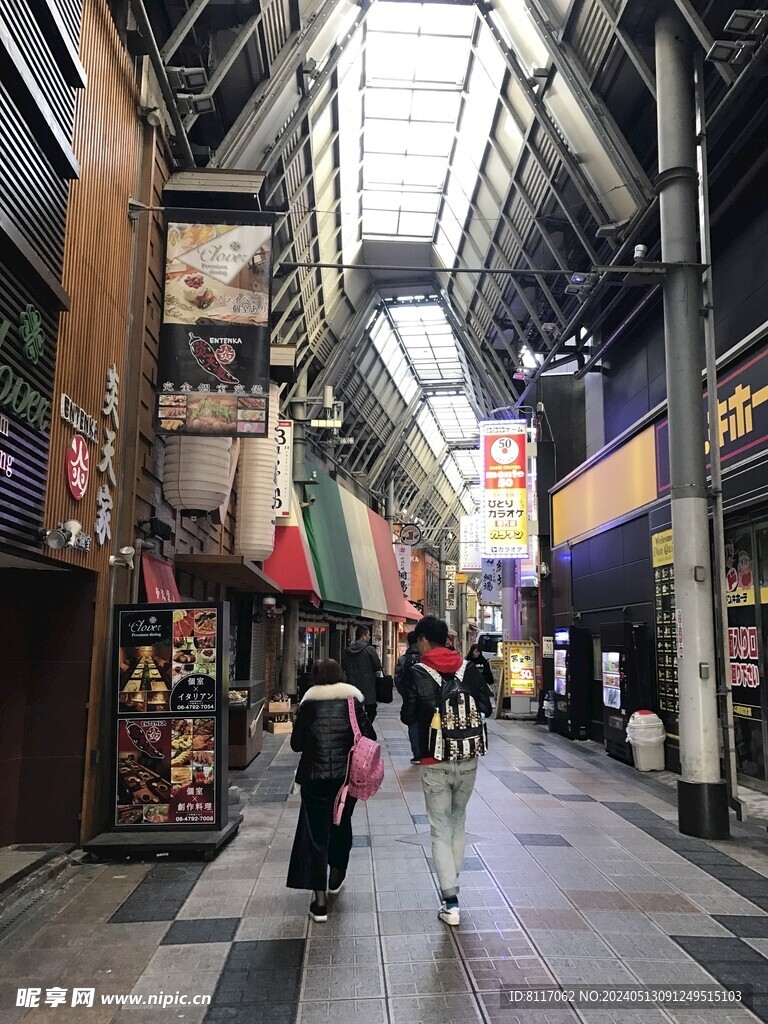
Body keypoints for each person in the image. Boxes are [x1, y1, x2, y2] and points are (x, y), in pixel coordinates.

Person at [401, 616, 492, 927]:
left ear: (424, 640)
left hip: (433, 760)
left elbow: (408, 715)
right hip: (468, 757)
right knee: (458, 822)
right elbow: (486, 708)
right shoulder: (468, 668)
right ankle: (453, 887)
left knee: (439, 828)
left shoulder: (417, 672)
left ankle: (450, 902)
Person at [287, 659, 375, 922]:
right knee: (341, 824)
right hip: (345, 780)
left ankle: (320, 901)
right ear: (341, 676)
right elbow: (369, 735)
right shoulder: (352, 702)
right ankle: (337, 873)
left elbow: (296, 745)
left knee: (314, 833)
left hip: (314, 779)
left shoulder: (308, 706)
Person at [341, 625, 383, 724]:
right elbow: (377, 666)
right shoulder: (369, 650)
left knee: (354, 710)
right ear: (363, 636)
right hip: (368, 686)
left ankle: (357, 726)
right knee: (371, 710)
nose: (369, 638)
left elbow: (343, 666)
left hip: (352, 684)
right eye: (368, 635)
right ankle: (366, 727)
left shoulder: (348, 650)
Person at [395, 630, 421, 763]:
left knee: (413, 724)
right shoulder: (425, 656)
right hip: (426, 697)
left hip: (410, 697)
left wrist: (405, 693)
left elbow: (398, 678)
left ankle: (416, 754)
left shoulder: (404, 658)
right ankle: (426, 752)